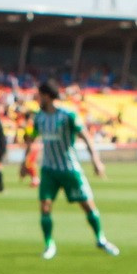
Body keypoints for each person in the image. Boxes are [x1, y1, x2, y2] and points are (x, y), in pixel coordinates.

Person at [23, 82, 116, 260]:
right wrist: (24, 162)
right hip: (49, 170)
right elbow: (32, 139)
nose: (37, 99)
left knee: (87, 205)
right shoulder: (39, 118)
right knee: (45, 206)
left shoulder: (68, 115)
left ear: (48, 96)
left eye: (39, 96)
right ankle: (49, 244)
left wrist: (96, 161)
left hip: (69, 168)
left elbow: (86, 137)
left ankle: (100, 239)